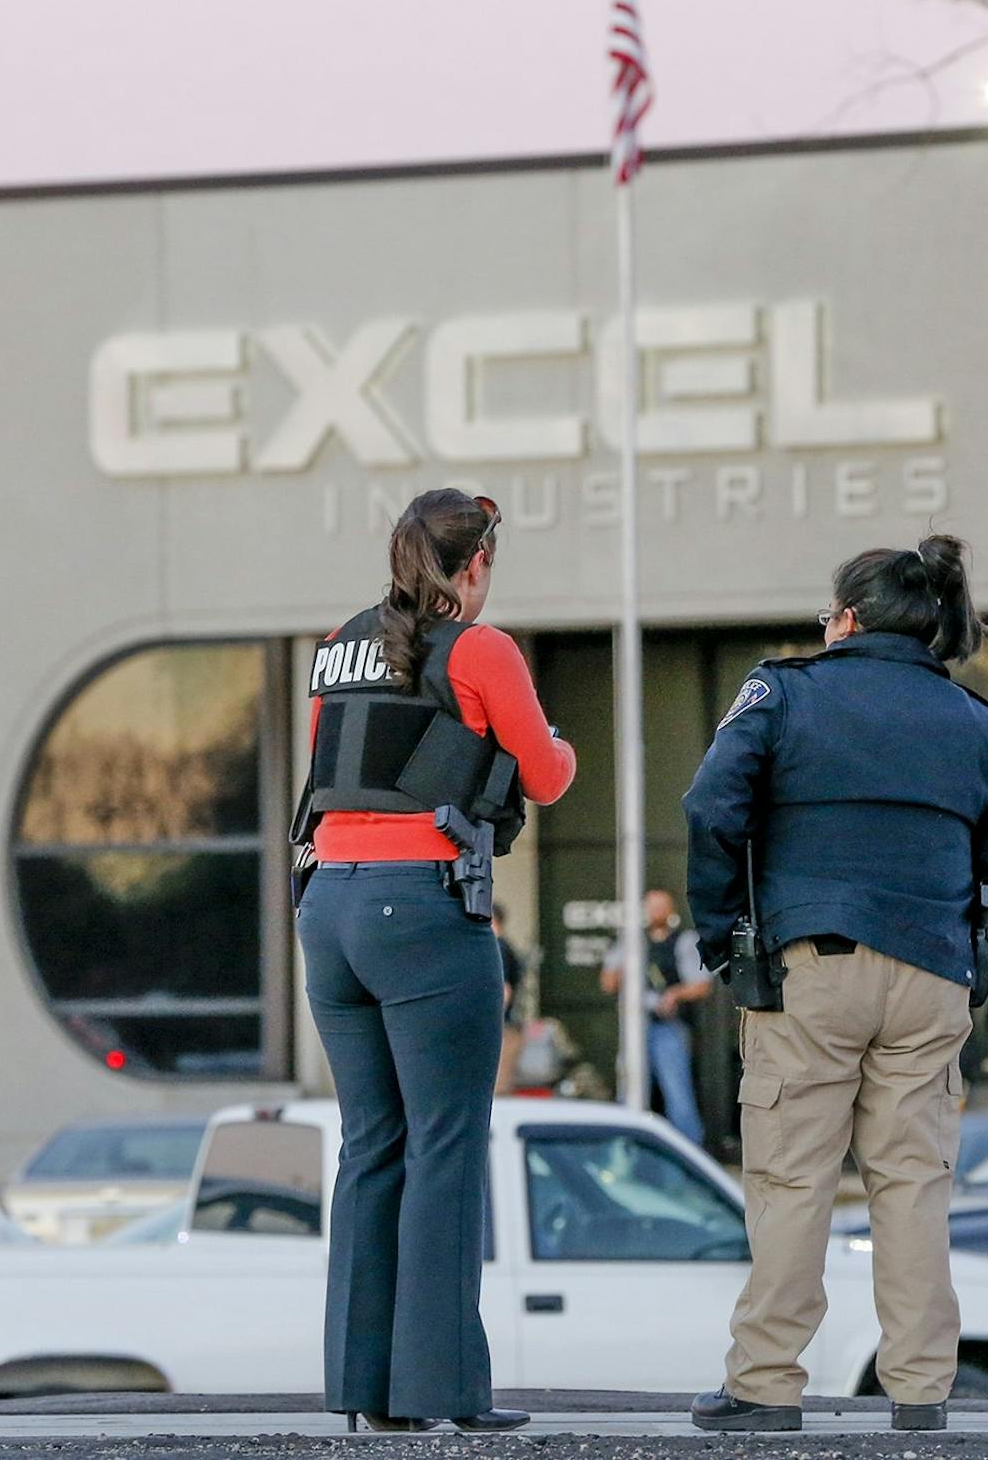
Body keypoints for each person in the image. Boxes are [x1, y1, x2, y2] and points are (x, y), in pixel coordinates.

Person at [683, 535, 988, 1435]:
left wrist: (723, 940)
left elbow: (711, 807)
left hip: (814, 967)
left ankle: (765, 1384)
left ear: (848, 618)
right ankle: (920, 1391)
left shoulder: (785, 692)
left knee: (793, 1179)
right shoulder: (979, 721)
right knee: (912, 1184)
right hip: (933, 972)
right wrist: (970, 961)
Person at [294, 489, 575, 1433]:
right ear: (477, 564)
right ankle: (442, 1392)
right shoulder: (482, 648)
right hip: (419, 908)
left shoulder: (341, 638)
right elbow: (544, 774)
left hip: (327, 907)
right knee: (446, 1147)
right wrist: (561, 746)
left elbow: (327, 766)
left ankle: (361, 1392)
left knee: (371, 1144)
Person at [599, 888, 712, 1144]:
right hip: (635, 1026)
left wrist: (674, 995)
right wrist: (624, 966)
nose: (655, 913)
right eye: (651, 907)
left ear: (670, 911)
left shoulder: (684, 940)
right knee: (628, 1093)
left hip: (668, 1027)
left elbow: (701, 985)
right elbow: (608, 983)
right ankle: (625, 1151)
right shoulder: (630, 940)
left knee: (678, 1095)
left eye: (660, 907)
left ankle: (688, 1152)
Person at [492, 904, 527, 1097]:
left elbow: (504, 990)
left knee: (500, 1087)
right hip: (506, 1025)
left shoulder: (499, 948)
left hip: (504, 1027)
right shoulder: (503, 946)